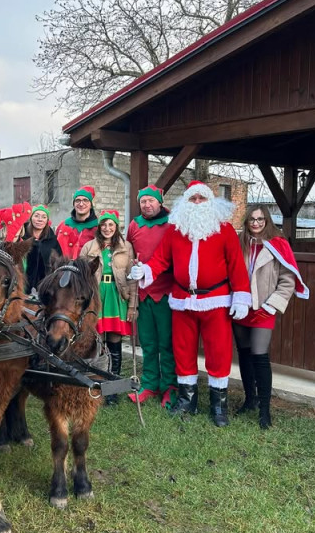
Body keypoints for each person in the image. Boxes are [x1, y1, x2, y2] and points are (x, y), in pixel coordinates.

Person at [130, 181, 251, 427]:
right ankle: (187, 400)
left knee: (218, 351)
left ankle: (219, 405)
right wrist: (146, 271)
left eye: (201, 199)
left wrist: (241, 295)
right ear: (185, 203)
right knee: (183, 350)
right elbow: (161, 259)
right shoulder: (176, 230)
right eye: (192, 199)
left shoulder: (224, 230)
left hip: (215, 301)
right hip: (182, 300)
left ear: (210, 202)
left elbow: (236, 265)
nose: (196, 203)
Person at [233, 204, 309, 429]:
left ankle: (265, 410)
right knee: (244, 355)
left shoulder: (278, 245)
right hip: (241, 307)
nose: (255, 223)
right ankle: (250, 400)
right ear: (246, 222)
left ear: (267, 221)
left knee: (259, 355)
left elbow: (288, 280)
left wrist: (272, 305)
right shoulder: (240, 243)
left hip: (264, 309)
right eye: (252, 220)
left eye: (260, 219)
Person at [127, 186, 177, 407]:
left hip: (166, 292)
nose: (147, 205)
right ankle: (150, 383)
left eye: (151, 201)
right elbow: (127, 251)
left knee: (166, 342)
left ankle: (170, 385)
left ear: (160, 202)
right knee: (147, 342)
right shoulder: (134, 225)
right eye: (143, 201)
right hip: (143, 293)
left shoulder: (172, 223)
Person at [80, 210, 137, 405]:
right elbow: (80, 276)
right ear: (99, 227)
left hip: (116, 295)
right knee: (96, 342)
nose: (107, 228)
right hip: (97, 296)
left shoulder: (125, 247)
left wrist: (132, 306)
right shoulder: (89, 246)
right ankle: (95, 385)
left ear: (116, 227)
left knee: (114, 342)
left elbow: (132, 277)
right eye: (104, 225)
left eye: (111, 225)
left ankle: (113, 389)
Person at [22, 204, 62, 292]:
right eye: (36, 216)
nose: (40, 219)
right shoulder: (22, 237)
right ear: (31, 218)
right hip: (23, 286)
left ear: (47, 220)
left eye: (44, 217)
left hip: (45, 287)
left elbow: (59, 263)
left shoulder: (52, 240)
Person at [55, 186, 99, 258]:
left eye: (85, 200)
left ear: (91, 205)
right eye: (78, 200)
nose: (81, 204)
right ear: (73, 204)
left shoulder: (99, 227)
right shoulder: (64, 225)